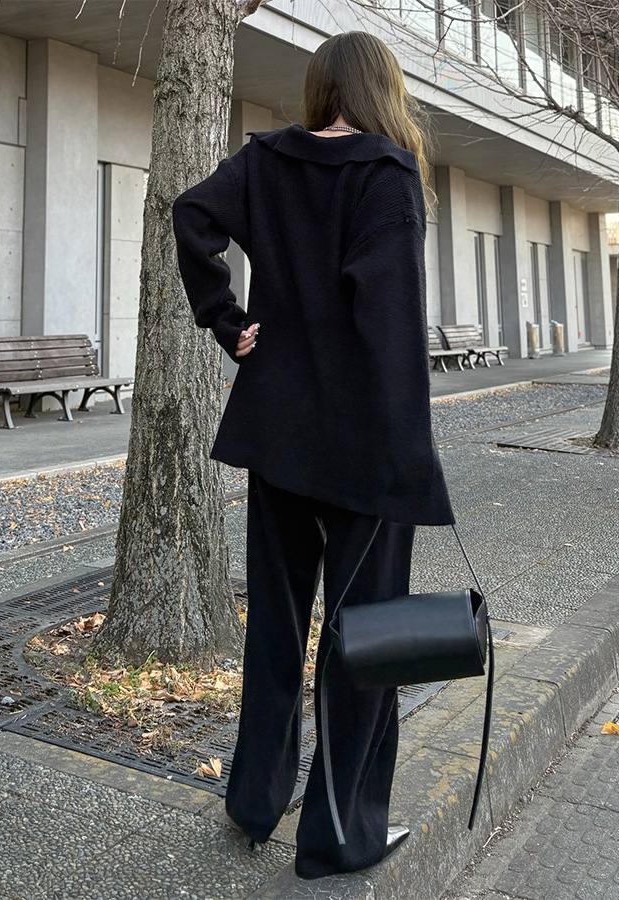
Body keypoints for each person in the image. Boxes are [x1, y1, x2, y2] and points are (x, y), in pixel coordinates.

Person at [173, 31, 453, 880]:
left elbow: (191, 215)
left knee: (277, 627)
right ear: (380, 90)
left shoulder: (265, 161)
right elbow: (390, 328)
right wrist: (412, 458)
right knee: (363, 640)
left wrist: (226, 320)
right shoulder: (386, 174)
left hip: (279, 436)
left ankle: (255, 803)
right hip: (363, 446)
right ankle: (337, 836)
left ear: (321, 87)